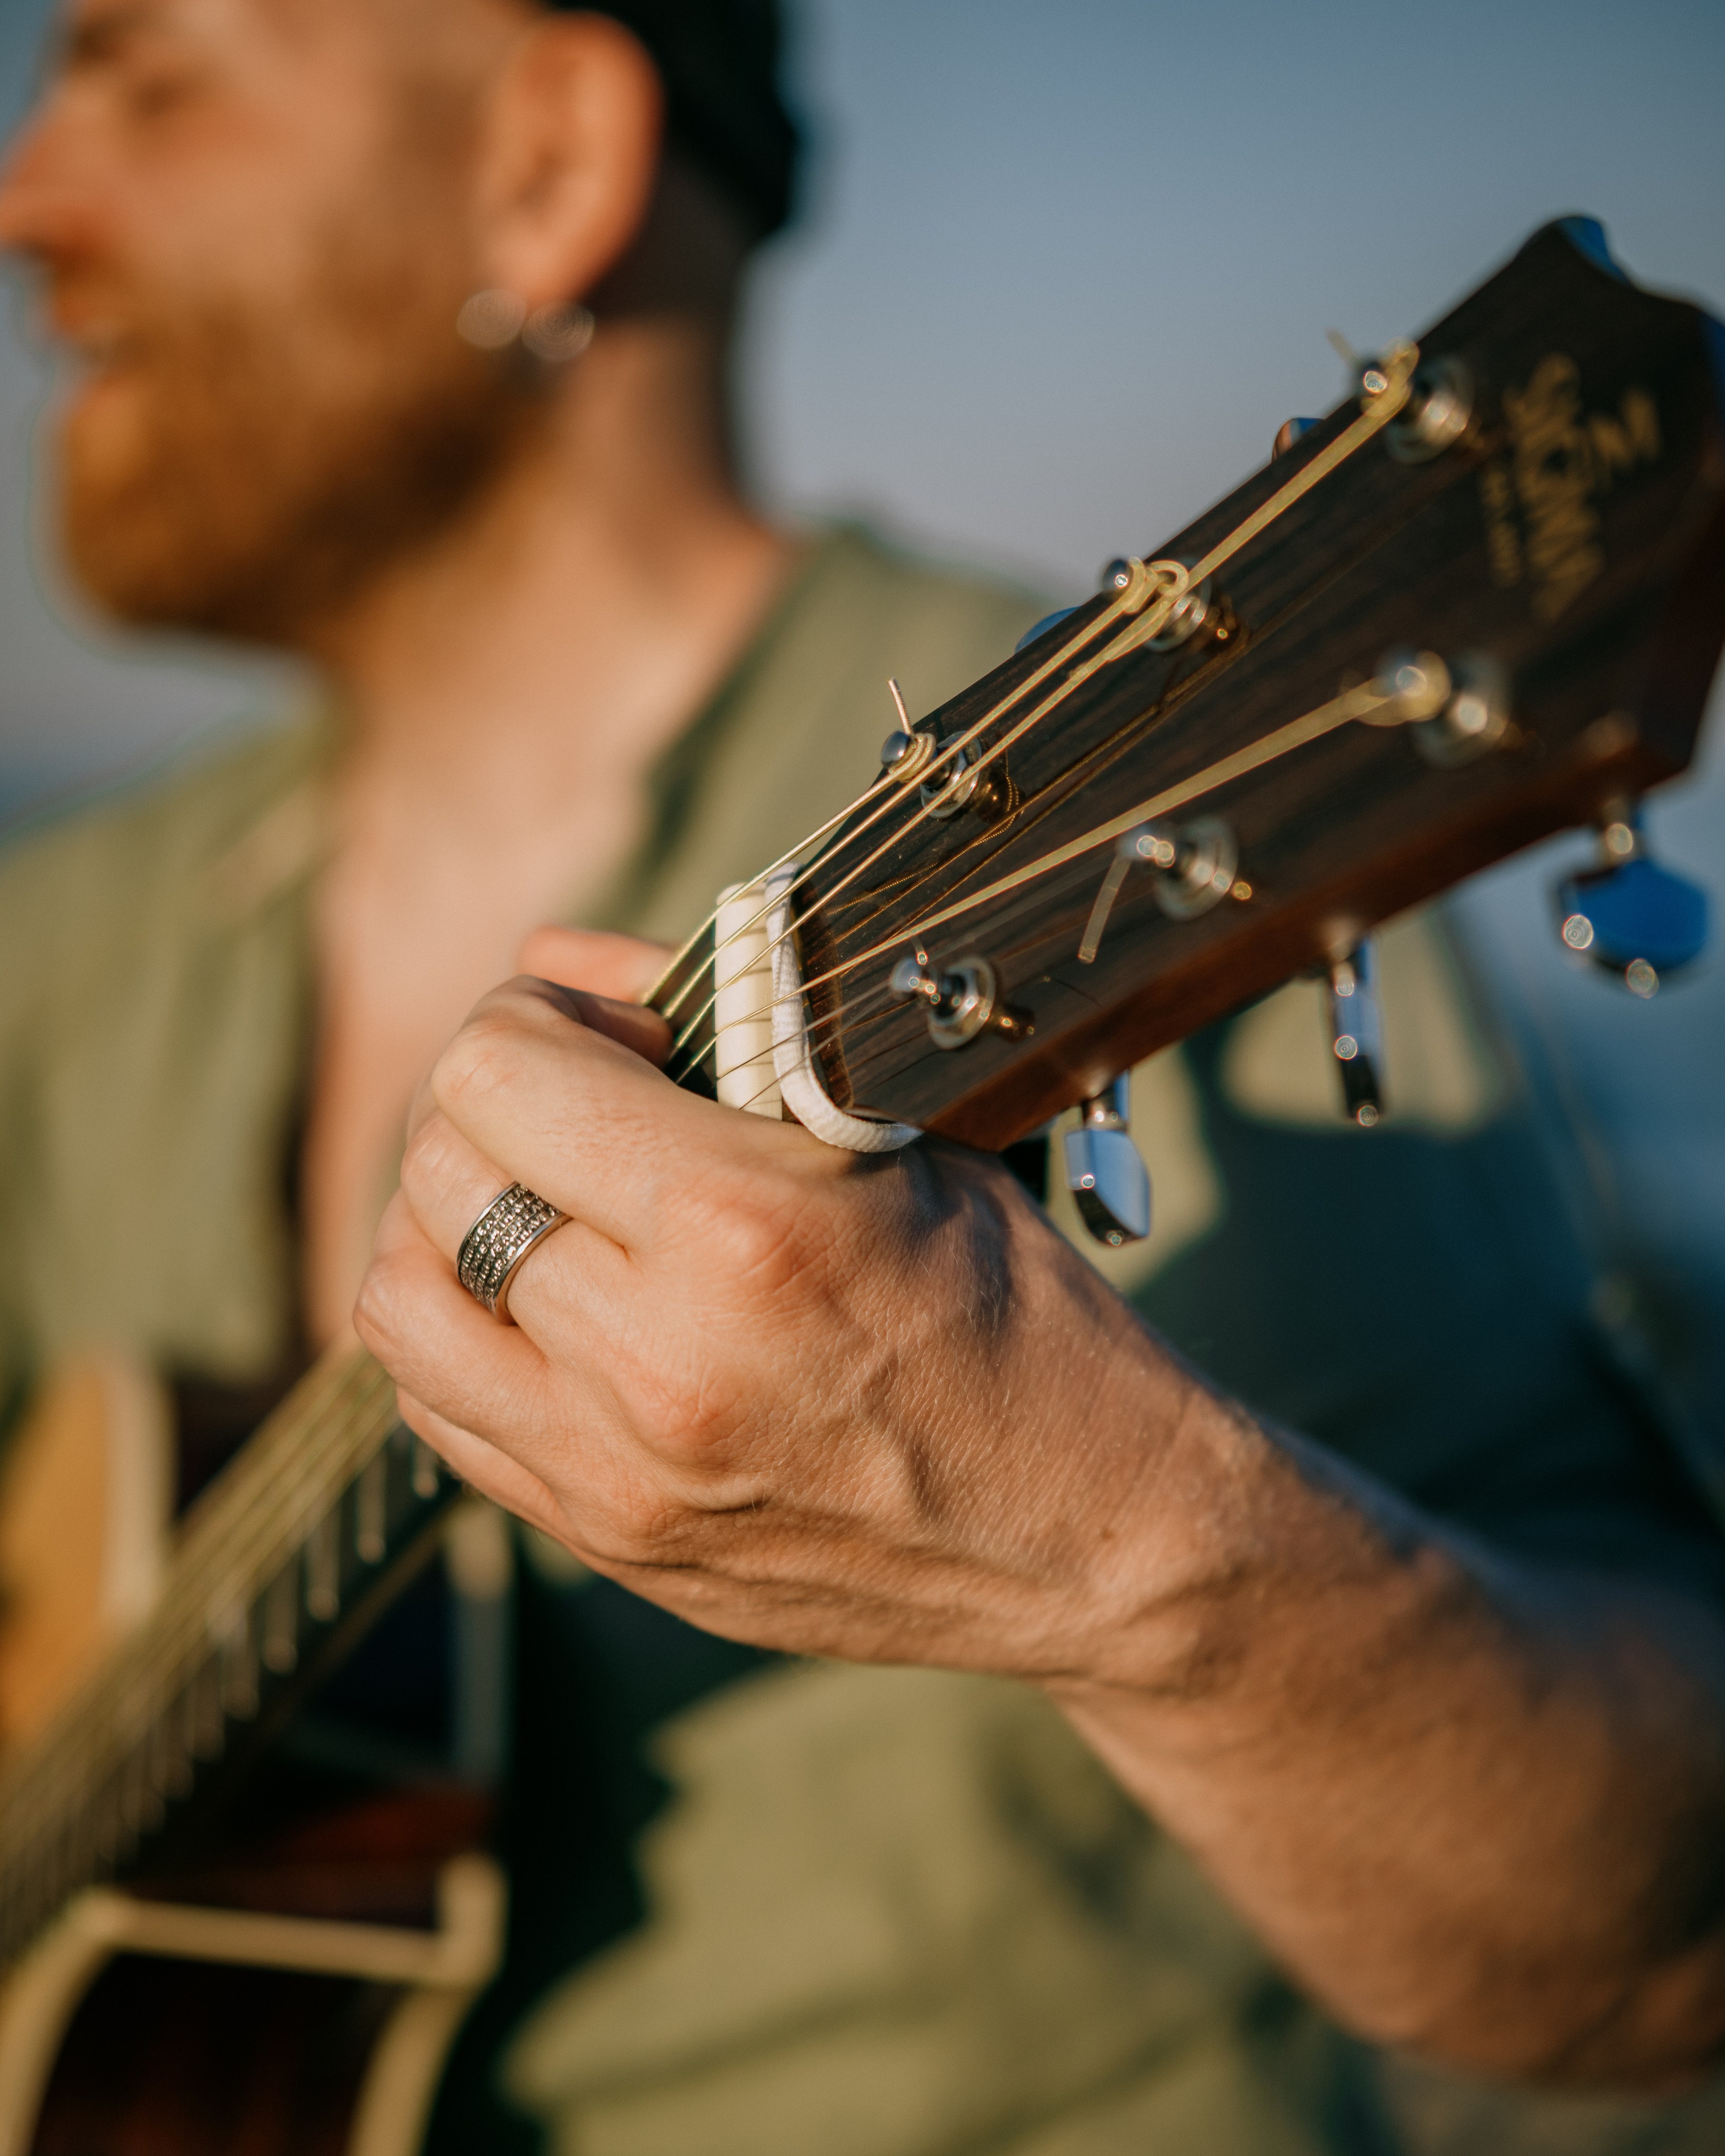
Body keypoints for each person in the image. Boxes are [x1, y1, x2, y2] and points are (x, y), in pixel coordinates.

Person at [3, 0, 1724, 2148]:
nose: (25, 194)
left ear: (546, 164)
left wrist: (1126, 1553)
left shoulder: (1144, 844)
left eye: (151, 77)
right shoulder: (67, 942)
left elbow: (1669, 1936)